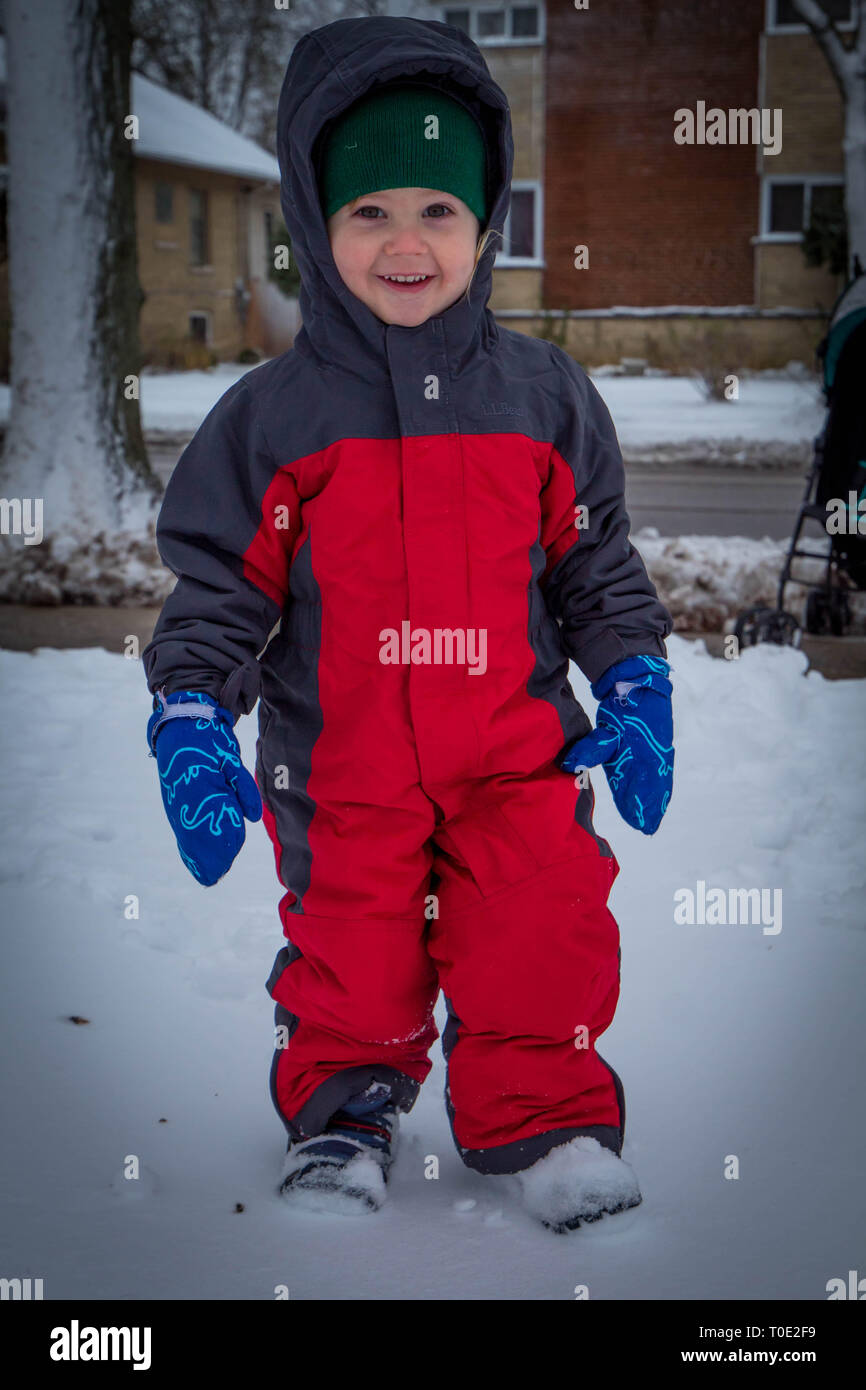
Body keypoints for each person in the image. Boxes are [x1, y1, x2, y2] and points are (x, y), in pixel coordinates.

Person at [142, 14, 675, 1235]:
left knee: (538, 932)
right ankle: (343, 1111)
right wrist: (187, 712)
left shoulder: (542, 397)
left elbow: (594, 567)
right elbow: (219, 584)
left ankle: (551, 1121)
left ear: (484, 225)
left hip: (516, 759)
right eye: (368, 209)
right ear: (314, 226)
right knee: (352, 950)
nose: (404, 241)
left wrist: (635, 683)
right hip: (346, 769)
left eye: (437, 209)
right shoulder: (271, 419)